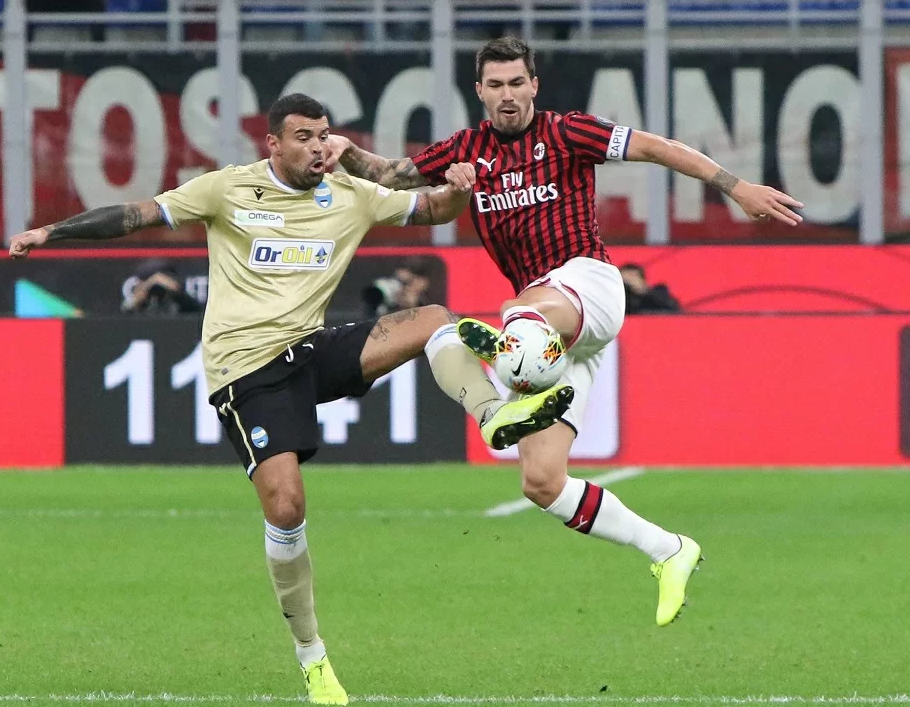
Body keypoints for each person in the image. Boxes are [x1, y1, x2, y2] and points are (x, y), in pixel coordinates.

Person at [8, 92, 573, 706]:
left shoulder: (351, 193)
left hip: (308, 349)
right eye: (303, 137)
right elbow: (136, 214)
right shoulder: (228, 190)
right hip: (247, 369)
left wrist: (460, 189)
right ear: (272, 144)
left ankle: (494, 417)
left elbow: (432, 209)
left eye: (324, 135)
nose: (318, 148)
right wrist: (50, 231)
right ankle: (312, 656)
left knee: (434, 317)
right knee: (286, 506)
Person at [326, 36, 805, 628]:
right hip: (558, 329)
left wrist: (735, 187)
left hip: (587, 285)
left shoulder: (567, 132)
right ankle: (669, 550)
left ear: (535, 85)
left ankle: (504, 349)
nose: (507, 95)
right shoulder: (466, 150)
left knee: (519, 316)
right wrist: (349, 151)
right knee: (542, 481)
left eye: (517, 83)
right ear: (479, 92)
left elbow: (656, 148)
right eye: (495, 85)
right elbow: (391, 174)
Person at [121, 258, 204, 316]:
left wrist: (173, 289)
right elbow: (125, 313)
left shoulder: (177, 298)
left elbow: (195, 309)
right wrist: (144, 289)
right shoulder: (142, 301)